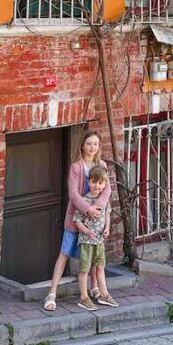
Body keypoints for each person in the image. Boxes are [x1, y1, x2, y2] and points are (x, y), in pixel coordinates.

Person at [43, 130, 111, 312]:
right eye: (89, 144)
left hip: (95, 221)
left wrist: (98, 207)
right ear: (82, 145)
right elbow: (73, 193)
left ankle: (95, 289)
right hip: (77, 219)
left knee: (94, 256)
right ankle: (52, 293)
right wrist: (87, 208)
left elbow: (107, 190)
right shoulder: (76, 167)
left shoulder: (102, 164)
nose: (92, 147)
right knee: (64, 253)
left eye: (95, 144)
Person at [73, 166, 118, 310]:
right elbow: (77, 220)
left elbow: (107, 214)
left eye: (100, 183)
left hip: (99, 241)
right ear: (89, 182)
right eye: (94, 182)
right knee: (85, 270)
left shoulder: (103, 200)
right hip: (87, 241)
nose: (97, 186)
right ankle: (84, 298)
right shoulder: (84, 200)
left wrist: (107, 228)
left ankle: (104, 294)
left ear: (105, 184)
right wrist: (86, 231)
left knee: (100, 267)